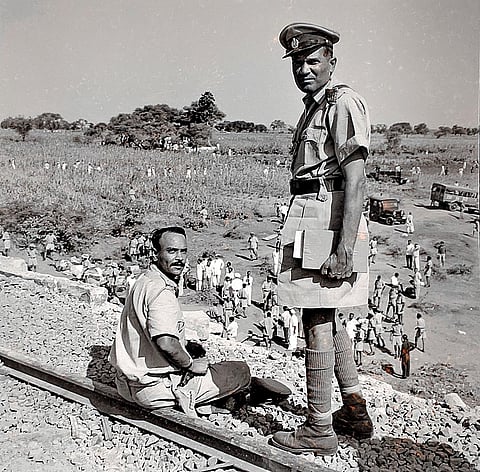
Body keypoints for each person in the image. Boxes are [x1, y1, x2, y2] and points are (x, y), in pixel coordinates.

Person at [271, 23, 373, 455]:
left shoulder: (342, 102)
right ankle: (352, 410)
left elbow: (356, 180)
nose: (304, 69)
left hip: (326, 216)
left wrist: (344, 248)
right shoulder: (314, 107)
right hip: (310, 211)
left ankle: (317, 426)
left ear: (332, 62)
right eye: (298, 62)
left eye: (313, 61)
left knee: (315, 320)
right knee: (326, 316)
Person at [109, 227, 251, 418]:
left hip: (125, 383)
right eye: (171, 251)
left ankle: (206, 401)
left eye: (183, 251)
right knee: (240, 370)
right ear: (155, 253)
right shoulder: (162, 292)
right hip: (153, 390)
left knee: (195, 353)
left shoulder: (144, 279)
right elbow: (166, 342)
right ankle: (207, 401)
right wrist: (191, 365)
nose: (179, 258)